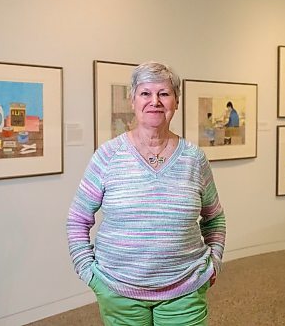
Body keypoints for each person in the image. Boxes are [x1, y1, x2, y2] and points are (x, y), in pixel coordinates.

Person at [67, 61, 226, 326]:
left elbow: (214, 217)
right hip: (118, 290)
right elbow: (77, 219)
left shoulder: (194, 158)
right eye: (145, 93)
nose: (155, 101)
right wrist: (88, 272)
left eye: (164, 93)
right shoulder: (107, 156)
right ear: (133, 100)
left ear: (176, 101)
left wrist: (215, 261)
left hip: (185, 289)